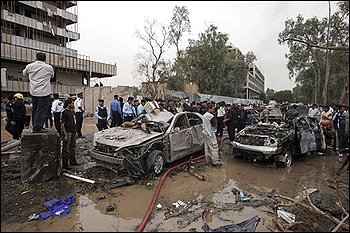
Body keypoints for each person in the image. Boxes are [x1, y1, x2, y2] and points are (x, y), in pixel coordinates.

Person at [23, 52, 54, 133]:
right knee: (41, 110)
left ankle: (35, 126)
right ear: (45, 59)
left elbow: (24, 73)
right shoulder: (48, 67)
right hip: (44, 92)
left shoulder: (30, 66)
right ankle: (38, 127)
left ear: (36, 58)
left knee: (35, 109)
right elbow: (52, 76)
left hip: (33, 91)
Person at [61, 98, 79, 170]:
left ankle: (73, 161)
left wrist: (76, 132)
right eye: (72, 103)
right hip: (68, 132)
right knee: (66, 148)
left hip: (73, 131)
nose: (73, 104)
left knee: (72, 147)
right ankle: (65, 164)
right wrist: (65, 134)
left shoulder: (72, 112)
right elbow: (62, 125)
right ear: (69, 104)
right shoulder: (64, 112)